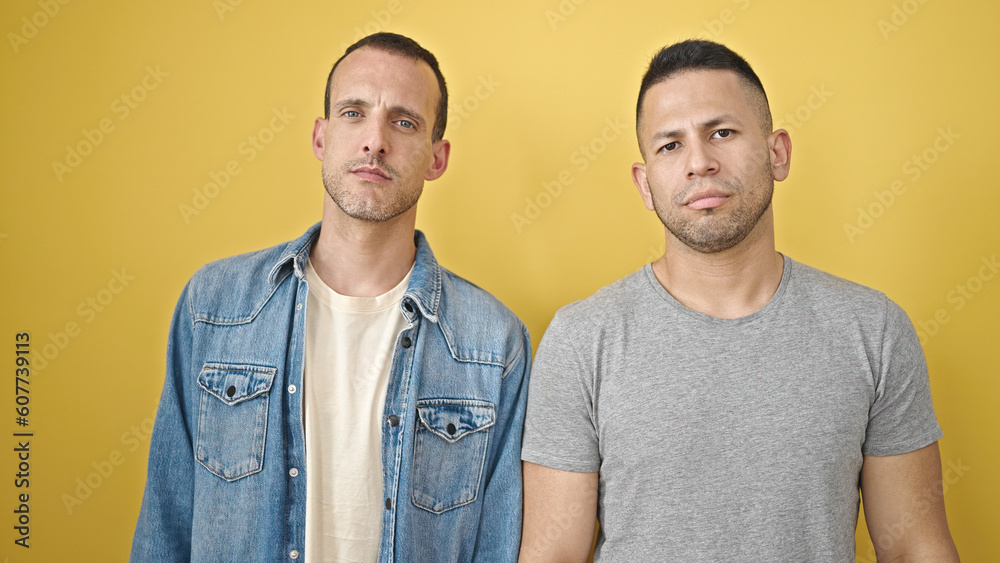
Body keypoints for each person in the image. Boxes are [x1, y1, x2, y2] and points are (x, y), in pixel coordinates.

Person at [519, 40, 959, 562]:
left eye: (721, 133)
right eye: (670, 146)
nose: (699, 163)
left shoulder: (873, 330)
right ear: (644, 183)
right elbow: (554, 556)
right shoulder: (581, 340)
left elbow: (913, 547)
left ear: (778, 153)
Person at [131, 32, 531, 562]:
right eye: (353, 113)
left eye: (404, 121)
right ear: (321, 137)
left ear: (438, 157)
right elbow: (167, 522)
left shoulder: (492, 342)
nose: (374, 141)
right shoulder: (215, 306)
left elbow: (498, 548)